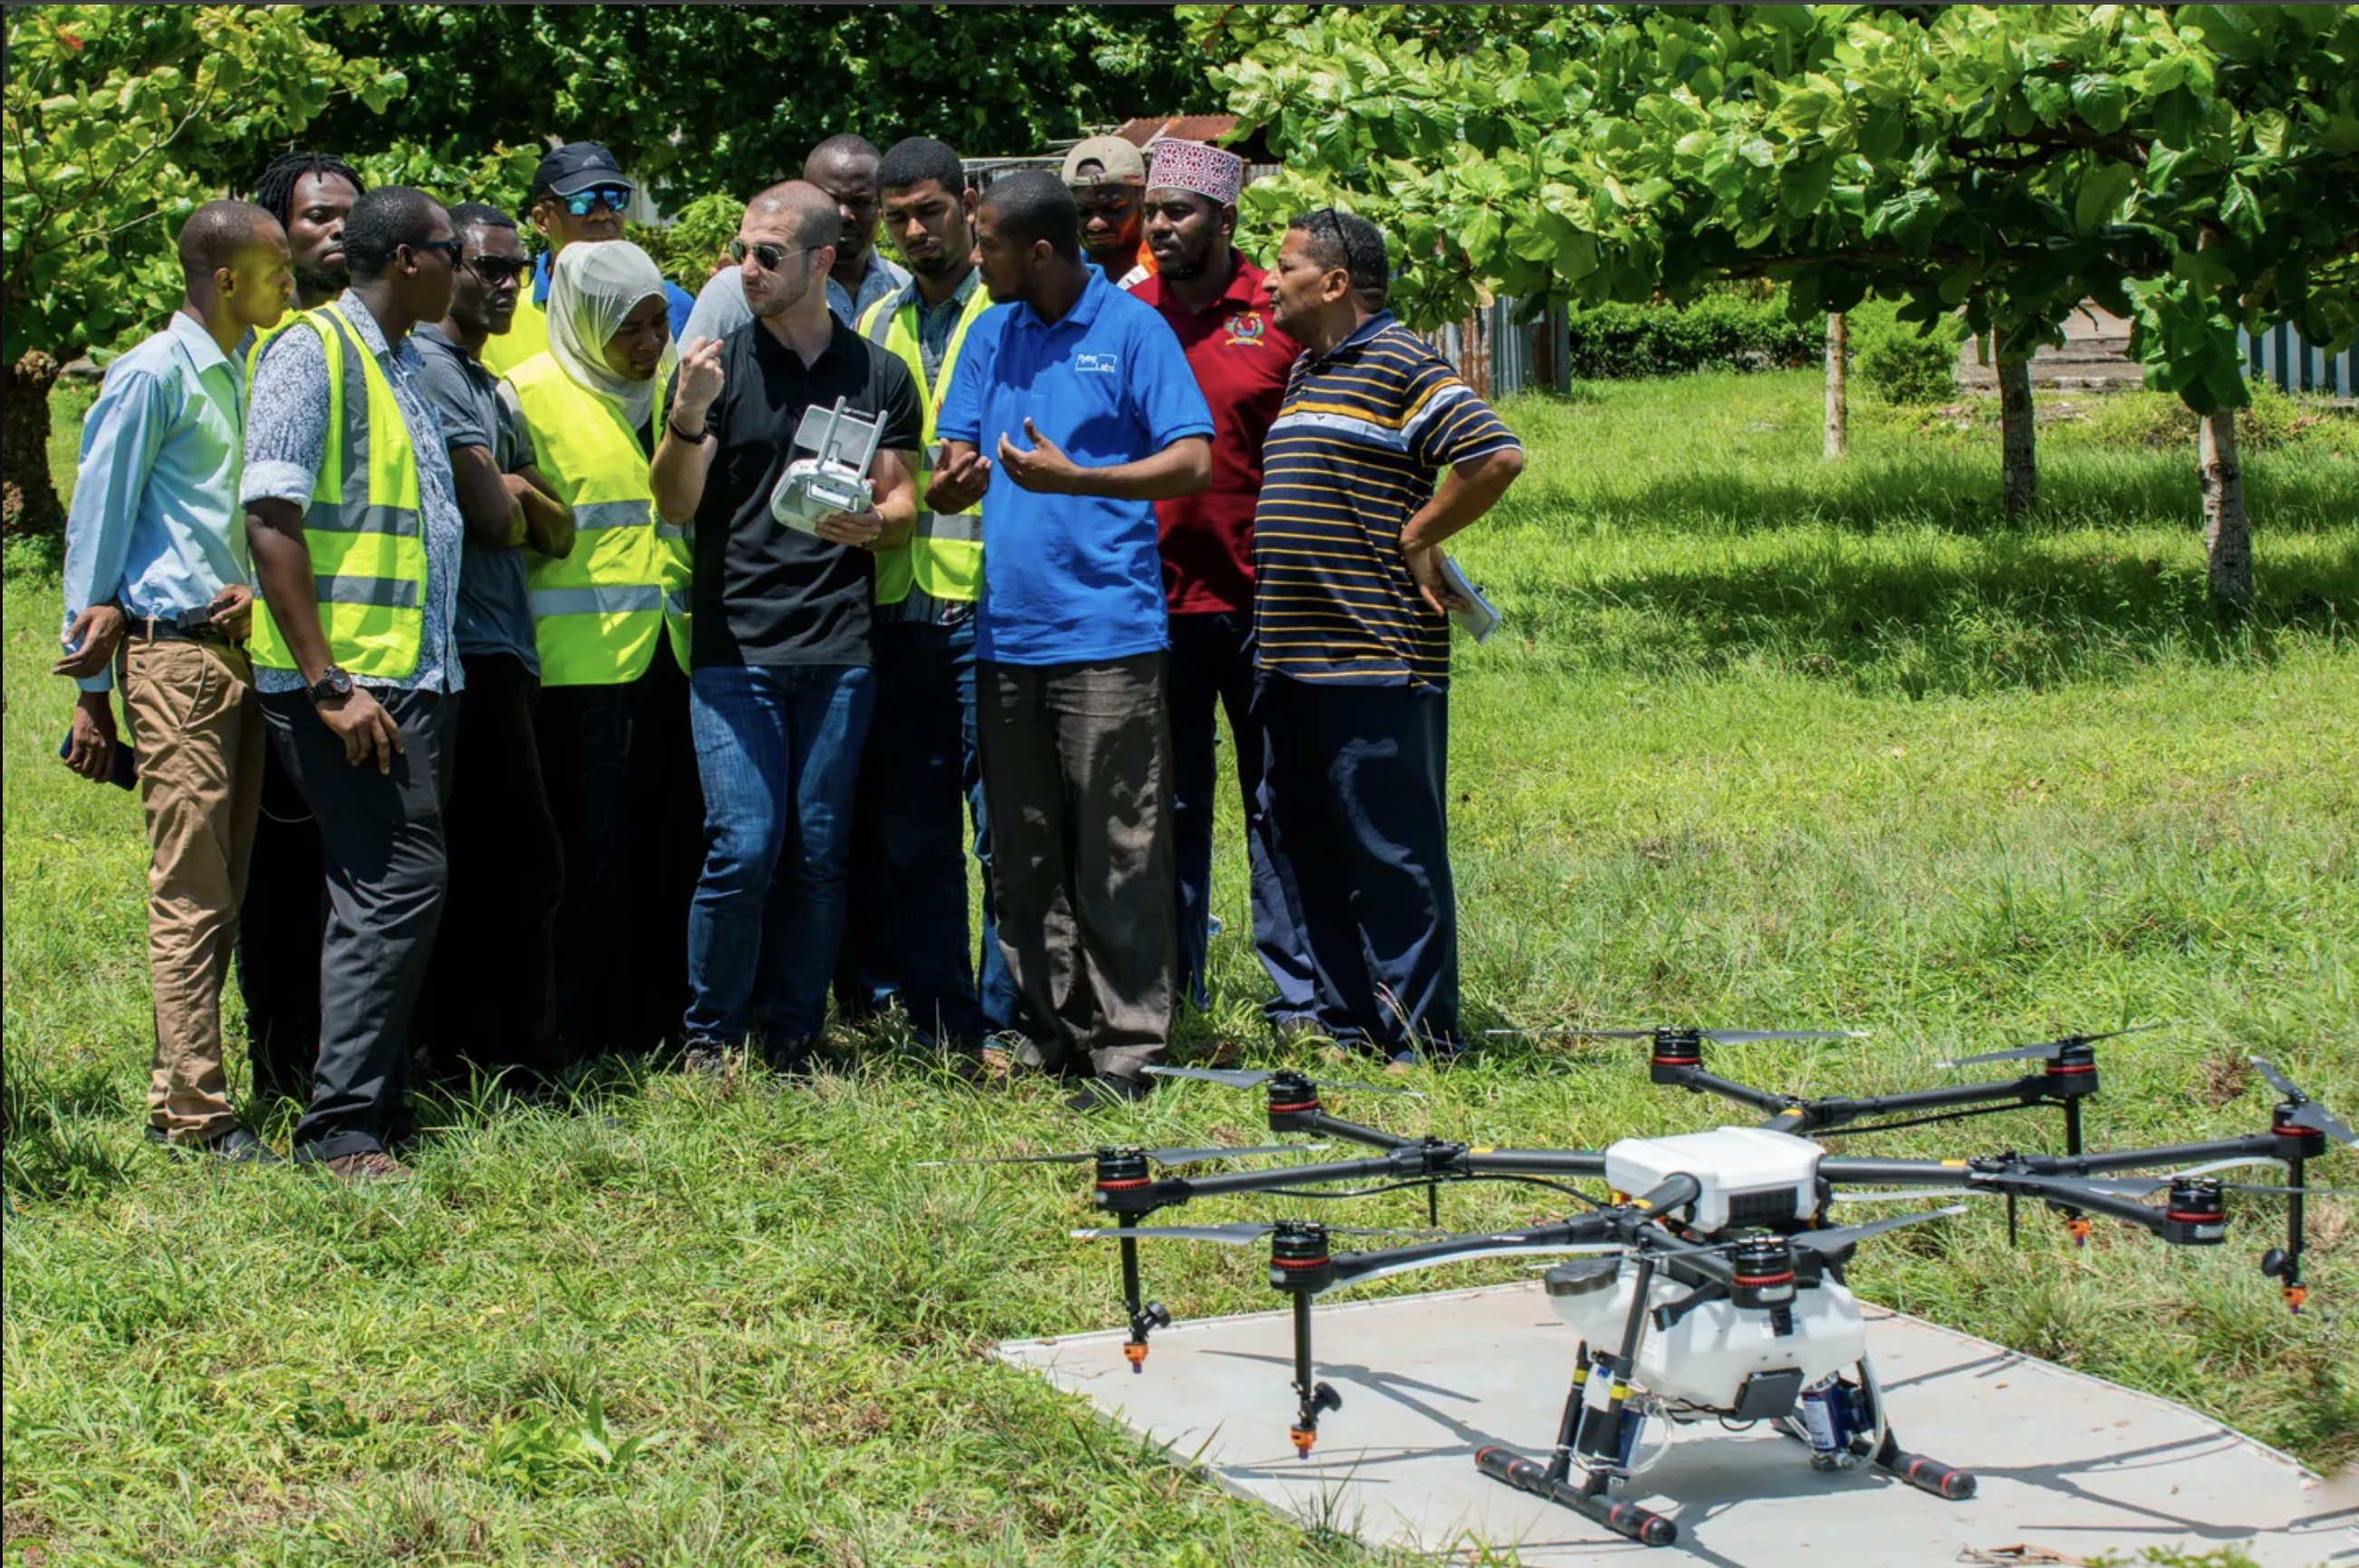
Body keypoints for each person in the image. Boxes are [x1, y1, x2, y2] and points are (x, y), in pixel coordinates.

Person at [929, 171, 1212, 1111]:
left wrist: (1075, 478)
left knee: (1119, 845)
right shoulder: (989, 332)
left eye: (988, 244)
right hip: (1006, 636)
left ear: (1039, 251)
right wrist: (953, 485)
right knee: (1025, 850)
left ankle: (1131, 1048)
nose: (976, 260)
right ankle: (1051, 1036)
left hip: (1107, 637)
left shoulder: (1132, 331)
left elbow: (1190, 459)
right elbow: (956, 457)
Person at [650, 182, 922, 1074]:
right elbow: (674, 502)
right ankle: (710, 1040)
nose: (748, 268)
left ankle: (793, 1039)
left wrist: (877, 525)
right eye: (742, 250)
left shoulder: (877, 374)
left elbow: (903, 500)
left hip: (839, 648)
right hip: (736, 648)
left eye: (769, 254)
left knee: (815, 854)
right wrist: (688, 414)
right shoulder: (713, 365)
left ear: (822, 261)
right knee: (743, 846)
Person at [1253, 209, 1525, 1063]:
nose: (1268, 281)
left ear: (1334, 283)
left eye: (1285, 266)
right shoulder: (1308, 369)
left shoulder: (1402, 360)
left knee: (1390, 854)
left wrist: (1418, 535)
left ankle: (1418, 1040)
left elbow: (1495, 456)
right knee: (1309, 852)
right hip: (1291, 661)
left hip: (1371, 658)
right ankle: (1348, 1023)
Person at [56, 200, 292, 1159]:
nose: (290, 283)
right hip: (171, 658)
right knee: (190, 890)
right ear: (226, 279)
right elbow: (99, 518)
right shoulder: (154, 373)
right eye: (276, 268)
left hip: (230, 647)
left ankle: (177, 1095)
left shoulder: (240, 371)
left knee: (226, 887)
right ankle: (198, 1115)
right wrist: (90, 688)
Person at [242, 186, 467, 1181]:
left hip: (413, 672)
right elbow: (269, 523)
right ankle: (342, 1130)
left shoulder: (407, 361)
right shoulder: (310, 351)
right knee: (394, 883)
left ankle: (372, 1098)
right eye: (454, 249)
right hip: (351, 681)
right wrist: (326, 680)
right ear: (409, 261)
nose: (467, 267)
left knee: (385, 887)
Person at [1130, 140, 1316, 1030]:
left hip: (1262, 605)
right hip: (1154, 605)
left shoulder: (1276, 314)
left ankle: (1299, 994)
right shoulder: (1126, 316)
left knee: (1278, 802)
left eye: (1180, 212)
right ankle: (1176, 988)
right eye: (1154, 210)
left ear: (1226, 220)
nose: (1160, 226)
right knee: (1168, 809)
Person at [502, 240, 702, 1067]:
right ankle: (576, 1030)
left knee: (668, 847)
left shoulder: (681, 390)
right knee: (585, 862)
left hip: (670, 656)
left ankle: (656, 1022)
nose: (652, 343)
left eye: (660, 321)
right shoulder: (528, 396)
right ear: (585, 321)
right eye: (631, 328)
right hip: (576, 668)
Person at [836, 136, 1012, 1053]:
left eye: (928, 212)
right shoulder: (876, 327)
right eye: (897, 216)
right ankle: (944, 1020)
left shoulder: (1012, 312)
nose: (912, 230)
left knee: (1003, 831)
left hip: (993, 608)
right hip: (899, 612)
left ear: (968, 204)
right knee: (913, 832)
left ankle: (1005, 1017)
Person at [409, 203, 576, 1083]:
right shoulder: (431, 372)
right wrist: (510, 493)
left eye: (519, 267)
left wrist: (515, 488)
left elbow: (555, 526)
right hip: (463, 648)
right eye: (488, 268)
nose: (509, 283)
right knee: (513, 862)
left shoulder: (486, 384)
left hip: (509, 648)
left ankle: (486, 1049)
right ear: (443, 268)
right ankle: (501, 1058)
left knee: (509, 861)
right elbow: (493, 517)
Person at [236, 149, 366, 1105]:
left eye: (348, 215)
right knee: (276, 884)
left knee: (356, 884)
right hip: (270, 663)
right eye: (317, 215)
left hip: (368, 653)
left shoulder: (379, 344)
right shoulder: (260, 345)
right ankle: (282, 1069)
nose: (335, 229)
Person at [482, 141, 696, 378]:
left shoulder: (669, 302)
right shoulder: (502, 309)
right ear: (542, 221)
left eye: (615, 198)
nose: (602, 214)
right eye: (581, 201)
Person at [682, 135, 910, 342]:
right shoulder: (737, 288)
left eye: (860, 202)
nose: (844, 215)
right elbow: (685, 382)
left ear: (881, 207)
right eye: (829, 201)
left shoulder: (902, 288)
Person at [1063, 135, 1153, 287]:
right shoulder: (1061, 283)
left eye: (1113, 209)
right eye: (1083, 211)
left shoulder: (1170, 277)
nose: (1096, 224)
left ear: (1142, 196)